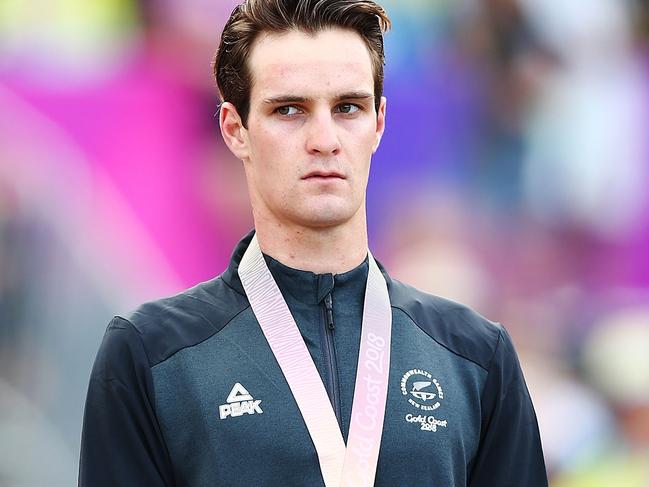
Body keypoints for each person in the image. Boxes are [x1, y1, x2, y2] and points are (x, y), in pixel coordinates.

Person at [79, 0, 548, 485]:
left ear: (379, 123)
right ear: (235, 129)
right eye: (289, 110)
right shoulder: (151, 354)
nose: (324, 139)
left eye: (348, 108)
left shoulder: (474, 356)